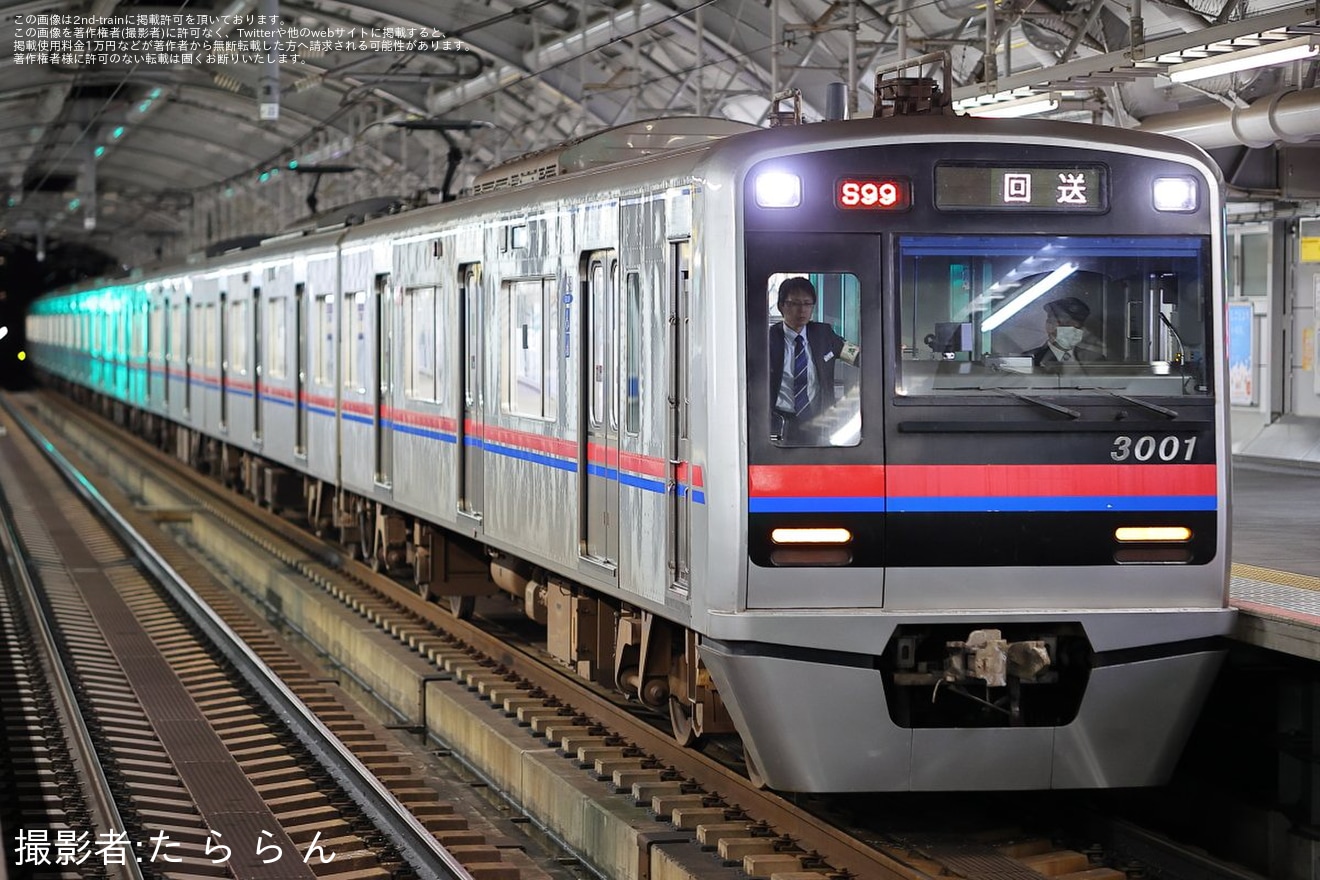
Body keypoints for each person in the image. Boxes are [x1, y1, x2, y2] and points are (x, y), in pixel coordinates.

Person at [768, 276, 859, 442]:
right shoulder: (768, 339)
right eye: (795, 303)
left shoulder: (824, 334)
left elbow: (857, 356)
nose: (802, 310)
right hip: (780, 423)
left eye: (807, 303)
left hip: (820, 422)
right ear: (782, 306)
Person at [1023, 295, 1101, 368]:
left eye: (1077, 325)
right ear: (1049, 324)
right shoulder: (1027, 360)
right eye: (1066, 324)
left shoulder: (1095, 358)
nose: (1074, 330)